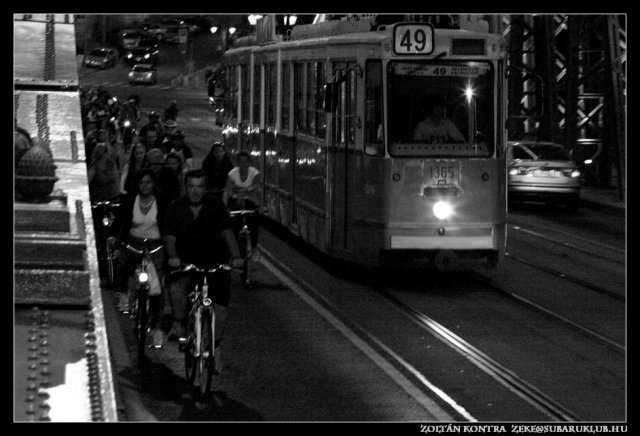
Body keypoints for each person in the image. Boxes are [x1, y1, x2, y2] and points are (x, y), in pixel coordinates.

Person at [164, 170, 243, 373]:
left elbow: (228, 233)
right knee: (177, 290)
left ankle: (215, 347)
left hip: (215, 262)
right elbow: (170, 238)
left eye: (199, 186)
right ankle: (180, 323)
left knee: (221, 306)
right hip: (186, 262)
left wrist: (236, 257)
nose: (195, 191)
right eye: (191, 186)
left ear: (205, 189)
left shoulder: (217, 208)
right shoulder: (176, 209)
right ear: (185, 187)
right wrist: (173, 258)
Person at [111, 169, 170, 348]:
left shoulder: (162, 200)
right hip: (134, 244)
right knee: (120, 262)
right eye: (142, 183)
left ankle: (157, 330)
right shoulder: (131, 200)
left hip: (155, 247)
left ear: (153, 184)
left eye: (148, 182)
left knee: (157, 288)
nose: (145, 186)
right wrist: (114, 236)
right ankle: (123, 294)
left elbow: (168, 222)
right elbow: (120, 219)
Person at [225, 151, 262, 256]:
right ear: (237, 163)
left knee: (253, 224)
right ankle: (234, 249)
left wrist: (261, 206)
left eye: (245, 162)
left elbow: (256, 187)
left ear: (249, 163)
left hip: (250, 202)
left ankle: (254, 248)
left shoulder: (255, 173)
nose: (243, 165)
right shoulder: (232, 174)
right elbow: (228, 191)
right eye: (240, 162)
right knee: (234, 224)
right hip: (235, 202)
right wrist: (226, 207)